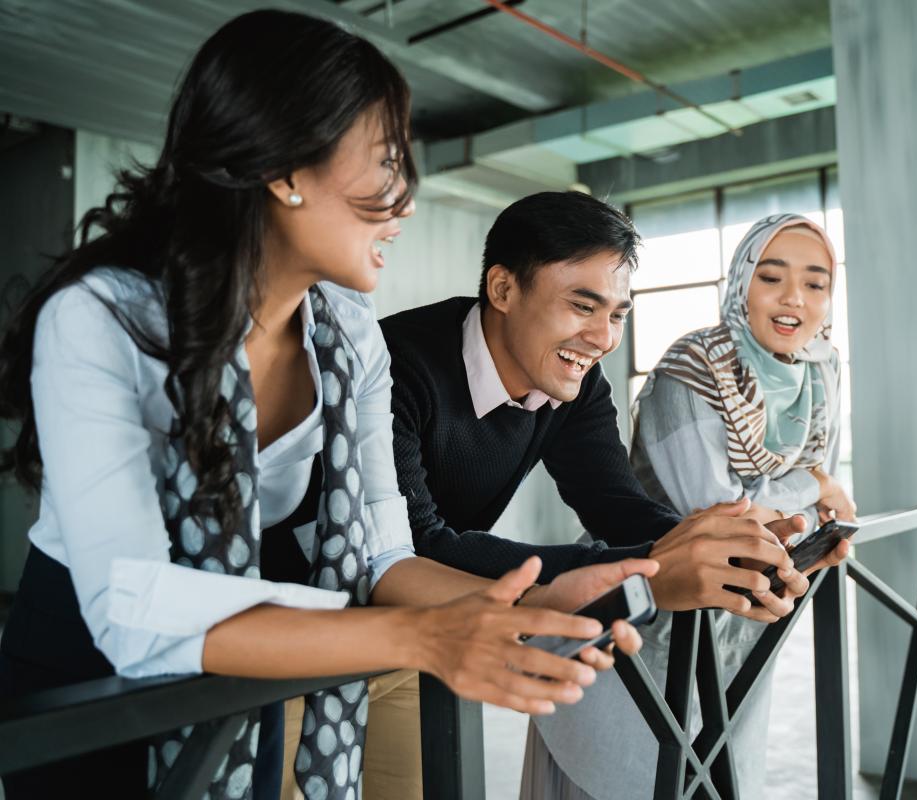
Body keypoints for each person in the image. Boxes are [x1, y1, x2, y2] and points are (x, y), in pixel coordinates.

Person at [0, 12, 651, 799]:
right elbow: (130, 605)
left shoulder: (347, 334)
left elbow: (385, 558)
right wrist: (421, 637)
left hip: (254, 667)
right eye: (385, 162)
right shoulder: (103, 317)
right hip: (84, 686)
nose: (406, 200)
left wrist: (533, 606)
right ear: (285, 170)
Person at [378, 193, 847, 797]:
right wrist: (641, 573)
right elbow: (418, 543)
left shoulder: (575, 379)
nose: (603, 338)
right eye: (582, 305)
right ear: (501, 289)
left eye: (619, 314)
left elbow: (617, 507)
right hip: (308, 612)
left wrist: (721, 547)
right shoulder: (397, 366)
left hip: (424, 626)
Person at [525, 213, 856, 799]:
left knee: (717, 770)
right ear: (741, 283)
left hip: (739, 625)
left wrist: (817, 529)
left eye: (816, 283)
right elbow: (717, 517)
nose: (793, 300)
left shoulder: (822, 370)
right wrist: (815, 490)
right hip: (644, 608)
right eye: (771, 278)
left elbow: (800, 506)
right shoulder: (693, 369)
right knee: (621, 771)